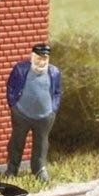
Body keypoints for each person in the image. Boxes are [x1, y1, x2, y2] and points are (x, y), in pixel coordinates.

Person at [5, 44, 62, 182]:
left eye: (44, 59)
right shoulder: (20, 69)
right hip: (21, 114)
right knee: (17, 141)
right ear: (32, 57)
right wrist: (13, 105)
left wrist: (53, 109)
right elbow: (11, 87)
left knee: (41, 144)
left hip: (45, 116)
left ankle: (39, 169)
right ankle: (12, 169)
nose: (41, 62)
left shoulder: (54, 72)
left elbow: (57, 92)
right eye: (38, 58)